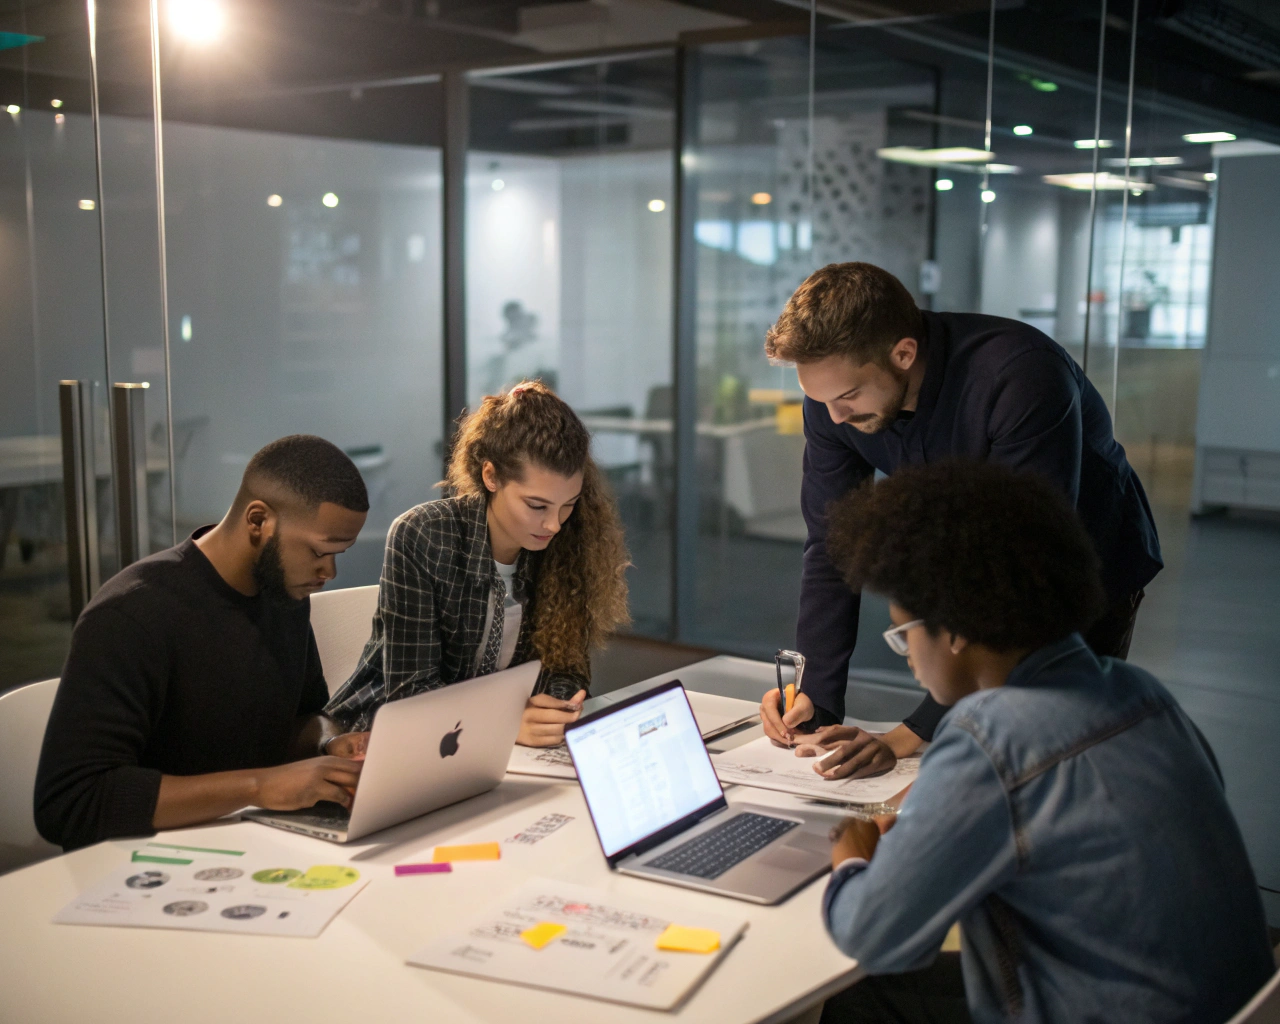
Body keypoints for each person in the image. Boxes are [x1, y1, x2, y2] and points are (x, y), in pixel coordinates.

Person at [817, 461, 1272, 1024]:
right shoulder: (1142, 694)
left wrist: (850, 859)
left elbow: (876, 937)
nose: (908, 657)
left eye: (903, 635)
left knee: (859, 995)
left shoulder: (989, 734)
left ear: (955, 629)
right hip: (1227, 1008)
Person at [758, 262, 1164, 779]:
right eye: (820, 400)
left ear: (903, 353)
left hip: (1081, 559)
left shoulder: (1020, 375)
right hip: (975, 547)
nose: (834, 418)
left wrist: (915, 731)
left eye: (847, 398)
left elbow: (1024, 564)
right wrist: (814, 698)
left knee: (1051, 744)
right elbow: (831, 544)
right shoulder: (833, 401)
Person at [35, 435, 373, 851]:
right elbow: (70, 803)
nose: (330, 571)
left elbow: (300, 718)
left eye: (340, 552)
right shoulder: (133, 613)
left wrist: (329, 742)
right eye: (320, 551)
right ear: (258, 521)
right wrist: (257, 786)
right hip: (140, 859)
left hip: (245, 841)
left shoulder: (283, 595)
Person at [325, 380, 630, 746]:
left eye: (568, 505)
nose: (554, 524)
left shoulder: (567, 542)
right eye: (536, 506)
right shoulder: (423, 534)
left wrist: (555, 707)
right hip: (381, 741)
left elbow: (568, 669)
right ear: (491, 476)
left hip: (495, 749)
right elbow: (410, 694)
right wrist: (504, 724)